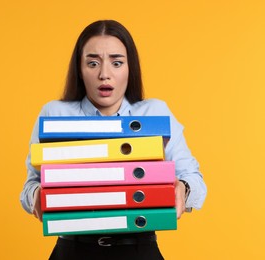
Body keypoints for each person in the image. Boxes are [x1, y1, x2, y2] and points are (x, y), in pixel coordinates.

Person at [20, 19, 207, 260]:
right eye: (93, 63)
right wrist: (36, 194)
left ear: (130, 68)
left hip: (138, 249)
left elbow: (195, 181)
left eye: (116, 63)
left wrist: (183, 187)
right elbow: (30, 185)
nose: (104, 74)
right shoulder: (55, 113)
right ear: (79, 68)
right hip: (73, 250)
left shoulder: (154, 112)